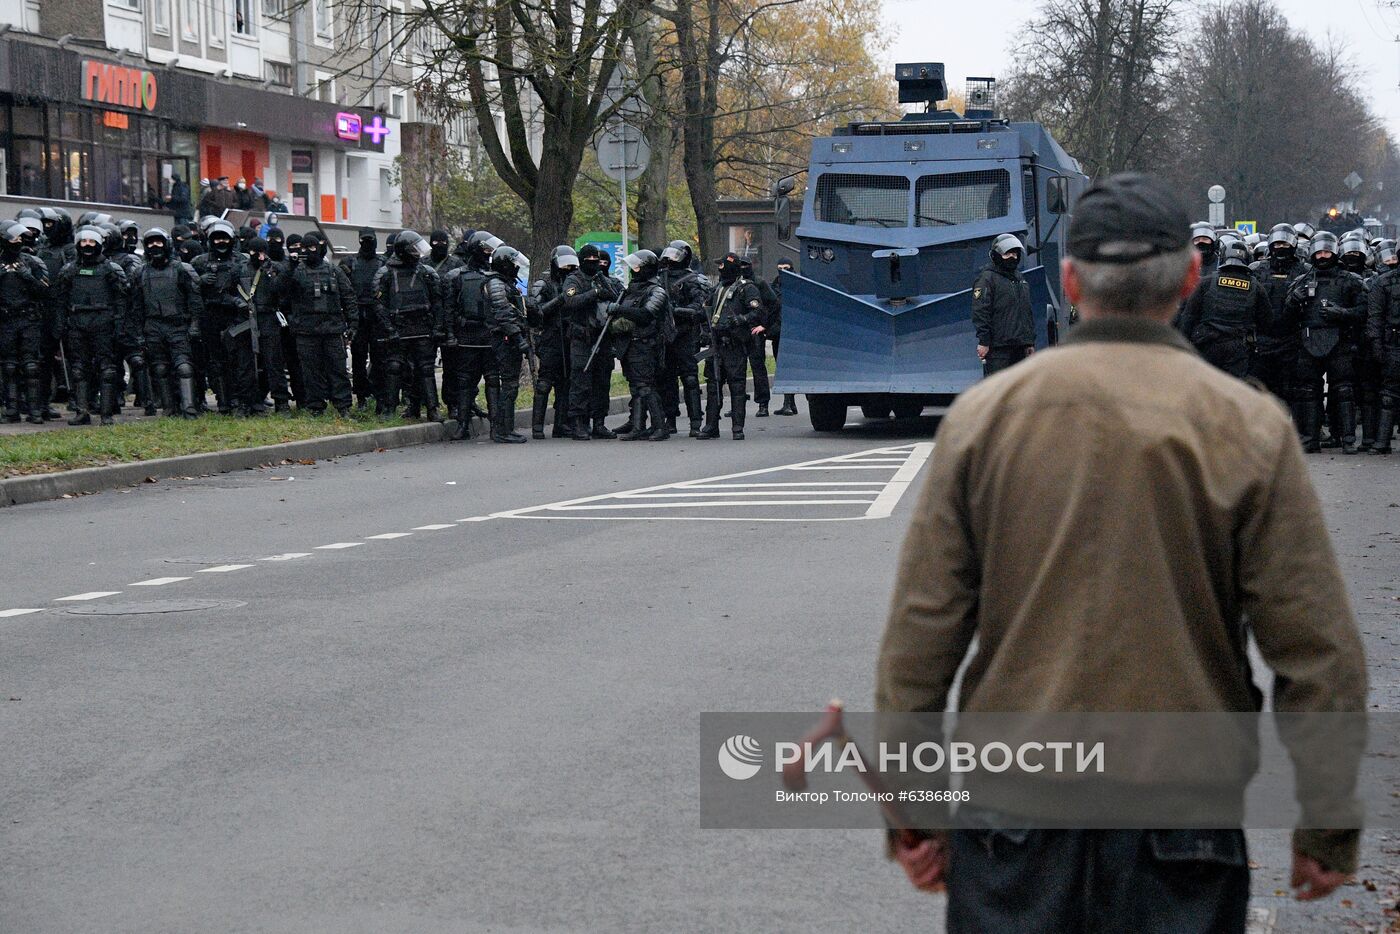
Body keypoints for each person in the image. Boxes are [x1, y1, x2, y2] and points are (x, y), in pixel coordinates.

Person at [876, 173, 1366, 931]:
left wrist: (913, 814)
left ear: (1070, 279)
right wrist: (1327, 823)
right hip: (1183, 811)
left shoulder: (984, 420)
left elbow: (919, 641)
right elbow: (1319, 651)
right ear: (1191, 277)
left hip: (1016, 809)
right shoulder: (1249, 426)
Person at [1285, 231, 1368, 453]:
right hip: (1308, 340)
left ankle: (1348, 439)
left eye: (1327, 252)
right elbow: (1286, 316)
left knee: (1343, 390)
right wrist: (1294, 301)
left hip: (1339, 340)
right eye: (1319, 252)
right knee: (1308, 391)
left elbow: (1363, 311)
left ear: (1335, 253)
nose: (1323, 256)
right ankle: (1310, 439)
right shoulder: (1301, 281)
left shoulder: (1350, 281)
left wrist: (1342, 313)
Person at [54, 226, 128, 425]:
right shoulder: (69, 270)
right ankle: (82, 411)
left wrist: (119, 325)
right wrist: (60, 325)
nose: (87, 245)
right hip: (77, 324)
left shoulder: (110, 269)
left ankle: (106, 413)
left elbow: (121, 299)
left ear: (99, 244)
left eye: (91, 241)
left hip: (103, 323)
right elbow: (60, 300)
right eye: (84, 241)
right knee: (79, 369)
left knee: (107, 369)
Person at [278, 231, 355, 417]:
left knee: (338, 369)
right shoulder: (295, 271)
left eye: (312, 248)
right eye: (304, 248)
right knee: (310, 372)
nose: (308, 251)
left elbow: (349, 296)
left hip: (332, 329)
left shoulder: (334, 271)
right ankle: (315, 407)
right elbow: (280, 291)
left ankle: (343, 406)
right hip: (306, 330)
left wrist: (353, 324)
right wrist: (290, 266)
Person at [373, 230, 444, 423]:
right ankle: (389, 408)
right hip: (398, 327)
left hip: (422, 326)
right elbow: (379, 305)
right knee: (394, 368)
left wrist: (437, 327)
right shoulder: (385, 273)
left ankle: (431, 408)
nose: (417, 254)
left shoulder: (427, 272)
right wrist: (389, 329)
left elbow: (437, 302)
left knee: (426, 369)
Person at [132, 227, 204, 417]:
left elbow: (195, 300)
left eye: (158, 242)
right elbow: (136, 306)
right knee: (160, 368)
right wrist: (138, 333)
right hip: (153, 326)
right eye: (150, 243)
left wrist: (195, 325)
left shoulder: (181, 269)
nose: (155, 246)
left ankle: (189, 408)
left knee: (184, 367)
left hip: (178, 325)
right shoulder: (140, 273)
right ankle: (169, 409)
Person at [1176, 238, 1272, 378]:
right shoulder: (1256, 287)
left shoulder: (1206, 282)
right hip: (1238, 348)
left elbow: (1189, 317)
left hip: (1207, 345)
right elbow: (1266, 322)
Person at [606, 249, 671, 441]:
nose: (633, 271)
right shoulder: (632, 289)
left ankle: (660, 427)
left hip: (646, 345)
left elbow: (646, 315)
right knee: (636, 387)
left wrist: (620, 309)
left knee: (646, 386)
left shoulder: (657, 291)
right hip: (629, 345)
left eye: (637, 267)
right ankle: (638, 426)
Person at [561, 244, 623, 440]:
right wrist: (594, 294)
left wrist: (604, 288)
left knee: (602, 383)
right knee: (580, 382)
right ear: (582, 262)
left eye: (597, 262)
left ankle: (599, 422)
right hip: (582, 339)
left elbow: (617, 296)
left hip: (603, 338)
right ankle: (579, 423)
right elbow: (570, 301)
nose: (595, 265)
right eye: (590, 262)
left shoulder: (602, 277)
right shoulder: (574, 279)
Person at [699, 252, 762, 440]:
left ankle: (737, 427)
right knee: (713, 385)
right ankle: (711, 425)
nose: (719, 269)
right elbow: (706, 310)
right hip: (717, 343)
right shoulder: (718, 288)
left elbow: (757, 312)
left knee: (737, 386)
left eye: (722, 266)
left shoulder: (746, 288)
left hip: (735, 344)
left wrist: (739, 320)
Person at [228, 237, 291, 414]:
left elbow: (284, 292)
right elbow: (226, 293)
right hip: (246, 319)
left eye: (263, 252)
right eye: (256, 252)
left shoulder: (275, 268)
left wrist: (272, 276)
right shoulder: (239, 269)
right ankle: (246, 402)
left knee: (274, 363)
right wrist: (236, 302)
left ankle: (281, 402)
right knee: (245, 365)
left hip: (268, 318)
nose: (260, 256)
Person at [1249, 226, 1308, 407]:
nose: (1281, 247)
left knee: (1293, 390)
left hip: (1292, 339)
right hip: (1263, 339)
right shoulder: (1256, 270)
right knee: (1260, 391)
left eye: (1285, 243)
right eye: (1277, 243)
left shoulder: (1305, 270)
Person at [0, 222, 51, 423]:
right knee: (9, 366)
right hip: (5, 320)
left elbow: (45, 290)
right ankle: (12, 409)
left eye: (20, 238)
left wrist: (27, 277)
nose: (18, 242)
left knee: (31, 366)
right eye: (14, 238)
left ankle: (34, 410)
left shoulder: (32, 262)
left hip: (28, 319)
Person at [190, 221, 243, 414]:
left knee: (236, 359)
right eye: (217, 238)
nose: (221, 242)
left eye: (225, 238)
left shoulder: (241, 260)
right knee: (215, 361)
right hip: (209, 315)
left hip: (235, 316)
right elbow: (189, 291)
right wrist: (200, 282)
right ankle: (223, 400)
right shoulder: (199, 262)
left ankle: (237, 398)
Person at [657, 241, 709, 436]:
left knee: (689, 378)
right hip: (665, 335)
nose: (670, 259)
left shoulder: (693, 280)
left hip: (686, 334)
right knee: (666, 379)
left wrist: (676, 311)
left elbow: (700, 309)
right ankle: (669, 420)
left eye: (675, 255)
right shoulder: (660, 278)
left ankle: (695, 422)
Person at [526, 245, 577, 439]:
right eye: (564, 266)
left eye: (571, 266)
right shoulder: (544, 283)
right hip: (549, 337)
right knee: (544, 383)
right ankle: (537, 427)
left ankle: (561, 424)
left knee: (565, 383)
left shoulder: (572, 282)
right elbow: (535, 311)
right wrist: (560, 300)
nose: (567, 269)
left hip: (568, 336)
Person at [483, 244, 530, 443]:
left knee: (511, 385)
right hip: (503, 339)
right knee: (508, 385)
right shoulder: (495, 284)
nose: (516, 267)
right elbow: (503, 315)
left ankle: (507, 428)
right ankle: (502, 430)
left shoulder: (506, 282)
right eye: (513, 264)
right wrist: (519, 339)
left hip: (508, 338)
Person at [972, 233, 1035, 376]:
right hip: (998, 350)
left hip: (1020, 347)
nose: (1012, 257)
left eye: (1014, 253)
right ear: (996, 255)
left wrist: (1029, 342)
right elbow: (981, 311)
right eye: (1007, 254)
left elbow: (1026, 311)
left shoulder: (1020, 279)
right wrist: (984, 341)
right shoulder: (987, 279)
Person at [341, 228, 384, 410]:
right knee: (358, 360)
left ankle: (380, 397)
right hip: (357, 317)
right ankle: (361, 397)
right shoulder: (350, 263)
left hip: (377, 317)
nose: (367, 244)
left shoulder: (383, 263)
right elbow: (343, 292)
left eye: (370, 240)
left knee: (380, 359)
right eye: (364, 240)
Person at [1367, 249, 1400, 454]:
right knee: (1389, 394)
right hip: (1393, 342)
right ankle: (1382, 440)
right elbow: (1375, 316)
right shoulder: (1384, 282)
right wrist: (1376, 343)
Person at [771, 258, 798, 416]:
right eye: (779, 268)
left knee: (787, 367)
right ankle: (789, 403)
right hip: (778, 332)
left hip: (792, 332)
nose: (782, 271)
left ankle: (788, 403)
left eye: (786, 268)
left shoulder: (797, 285)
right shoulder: (775, 285)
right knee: (781, 365)